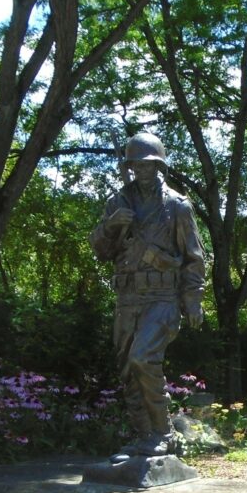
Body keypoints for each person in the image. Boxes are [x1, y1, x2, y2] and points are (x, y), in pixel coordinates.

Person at [90, 132, 206, 458]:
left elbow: (194, 256)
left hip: (162, 297)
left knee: (143, 358)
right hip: (127, 298)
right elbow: (101, 251)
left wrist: (193, 298)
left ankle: (163, 433)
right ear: (129, 166)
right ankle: (145, 437)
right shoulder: (118, 203)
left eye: (148, 164)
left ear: (159, 165)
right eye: (135, 165)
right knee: (127, 369)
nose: (141, 170)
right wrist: (111, 225)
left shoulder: (177, 206)